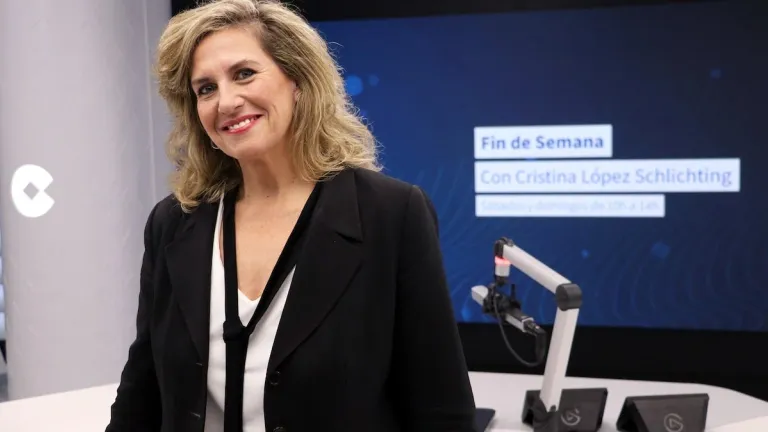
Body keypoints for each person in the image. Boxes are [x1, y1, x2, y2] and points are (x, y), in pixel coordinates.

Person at [106, 0, 476, 431]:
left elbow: (441, 408)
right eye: (205, 89)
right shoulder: (173, 223)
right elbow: (141, 391)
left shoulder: (392, 214)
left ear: (297, 79)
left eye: (244, 73)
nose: (226, 101)